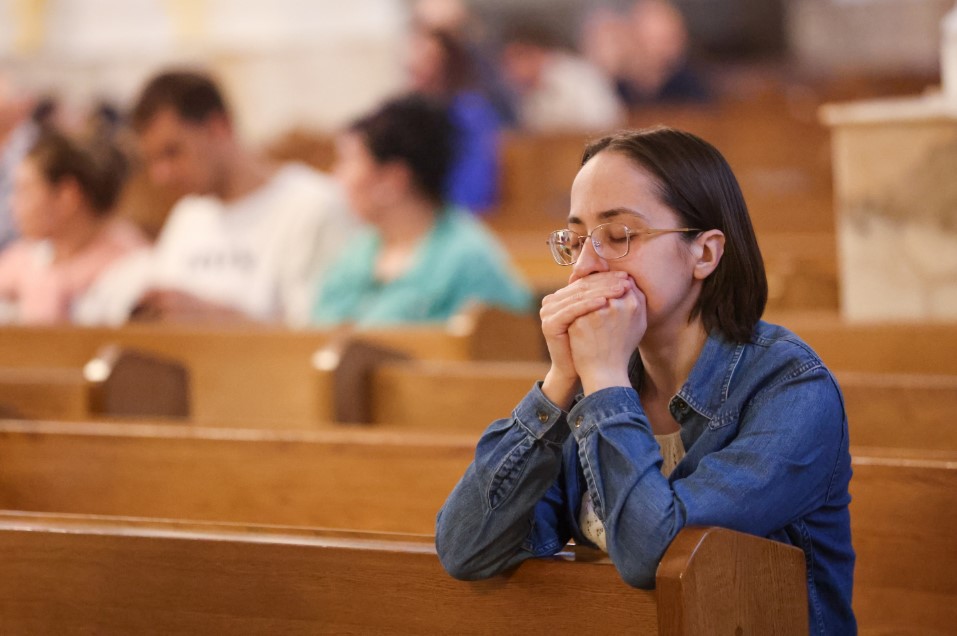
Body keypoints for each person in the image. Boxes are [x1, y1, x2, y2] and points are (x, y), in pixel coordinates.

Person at [435, 127, 855, 635]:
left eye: (619, 236)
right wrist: (560, 379)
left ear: (704, 253)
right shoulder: (592, 378)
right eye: (576, 241)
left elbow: (652, 556)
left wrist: (605, 379)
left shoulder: (792, 388)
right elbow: (465, 549)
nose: (584, 268)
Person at [80, 70, 355, 325]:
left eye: (172, 152)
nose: (161, 176)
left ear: (218, 127)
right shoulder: (189, 214)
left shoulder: (313, 205)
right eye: (151, 160)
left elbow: (321, 334)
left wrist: (217, 319)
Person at [311, 94, 530, 327]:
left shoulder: (469, 260)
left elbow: (510, 336)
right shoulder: (360, 249)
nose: (337, 176)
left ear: (392, 179)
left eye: (348, 161)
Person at [0, 114, 146, 324]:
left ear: (67, 196)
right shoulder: (35, 255)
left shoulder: (132, 271)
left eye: (25, 190)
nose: (12, 203)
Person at [406, 25, 502, 214]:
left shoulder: (469, 110)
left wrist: (450, 214)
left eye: (427, 58)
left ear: (447, 63)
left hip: (456, 212)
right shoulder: (411, 110)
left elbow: (477, 172)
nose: (415, 65)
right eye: (415, 55)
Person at [500, 20, 625, 133]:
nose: (510, 70)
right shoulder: (526, 92)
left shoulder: (578, 77)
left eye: (513, 60)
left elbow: (604, 125)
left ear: (534, 53)